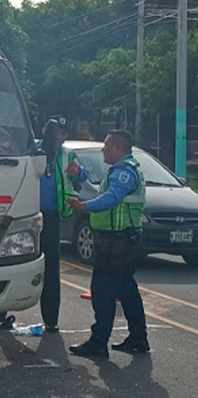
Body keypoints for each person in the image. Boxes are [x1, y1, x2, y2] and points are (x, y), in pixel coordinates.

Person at [66, 130, 149, 358]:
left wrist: (84, 207)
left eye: (106, 145)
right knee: (126, 289)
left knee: (103, 291)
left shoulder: (124, 172)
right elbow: (97, 190)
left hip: (117, 241)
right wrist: (79, 176)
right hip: (124, 239)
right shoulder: (124, 169)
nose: (103, 149)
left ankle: (98, 343)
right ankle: (138, 339)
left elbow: (112, 198)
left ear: (118, 148)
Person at [37, 115, 88, 333]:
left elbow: (83, 175)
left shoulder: (68, 155)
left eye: (64, 133)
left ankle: (51, 319)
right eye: (56, 131)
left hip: (52, 216)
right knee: (10, 263)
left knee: (51, 267)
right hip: (26, 215)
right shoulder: (32, 150)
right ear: (44, 131)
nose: (60, 137)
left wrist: (79, 173)